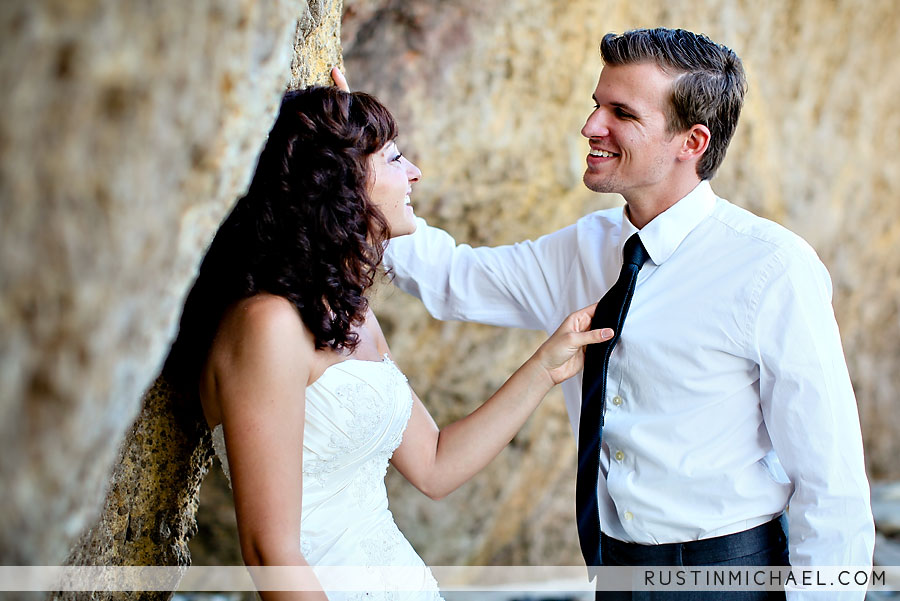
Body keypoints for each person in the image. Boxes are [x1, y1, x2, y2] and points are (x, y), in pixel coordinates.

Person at [381, 28, 874, 599]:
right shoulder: (583, 249)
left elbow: (831, 483)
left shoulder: (772, 269)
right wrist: (357, 173)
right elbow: (450, 278)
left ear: (691, 142)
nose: (591, 126)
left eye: (621, 112)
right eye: (596, 105)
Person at [163, 84, 613, 600]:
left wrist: (543, 368)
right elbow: (270, 551)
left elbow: (436, 466)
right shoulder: (267, 325)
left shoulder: (350, 313)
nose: (415, 172)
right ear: (338, 181)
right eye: (395, 157)